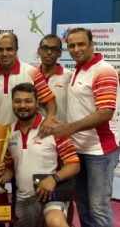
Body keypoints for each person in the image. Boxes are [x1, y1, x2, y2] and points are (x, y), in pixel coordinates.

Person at [51, 27, 120, 227]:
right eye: (71, 45)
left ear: (91, 45)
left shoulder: (103, 70)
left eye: (81, 44)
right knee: (83, 204)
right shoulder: (80, 70)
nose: (76, 49)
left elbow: (105, 112)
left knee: (98, 207)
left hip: (100, 152)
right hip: (79, 150)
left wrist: (69, 129)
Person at [0, 83, 80, 227]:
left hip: (52, 194)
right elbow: (10, 168)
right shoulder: (7, 132)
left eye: (28, 101)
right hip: (23, 198)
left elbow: (74, 164)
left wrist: (53, 179)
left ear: (37, 103)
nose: (22, 105)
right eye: (18, 101)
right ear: (12, 103)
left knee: (55, 221)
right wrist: (1, 177)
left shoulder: (53, 129)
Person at [0, 31, 57, 137]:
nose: (5, 53)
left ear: (16, 50)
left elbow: (50, 102)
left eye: (9, 49)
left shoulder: (32, 72)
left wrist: (49, 119)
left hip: (28, 137)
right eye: (0, 50)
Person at [37, 34, 72, 122]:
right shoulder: (31, 75)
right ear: (39, 51)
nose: (49, 52)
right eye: (45, 48)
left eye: (54, 49)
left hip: (60, 132)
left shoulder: (69, 77)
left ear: (60, 53)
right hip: (35, 132)